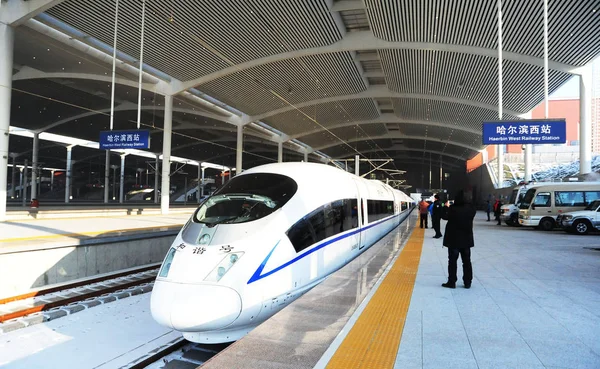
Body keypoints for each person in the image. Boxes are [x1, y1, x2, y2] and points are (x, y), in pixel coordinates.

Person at [441, 190, 476, 289]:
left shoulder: (453, 209)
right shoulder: (471, 209)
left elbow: (444, 216)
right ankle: (467, 282)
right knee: (467, 262)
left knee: (452, 262)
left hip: (453, 240)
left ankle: (452, 282)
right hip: (466, 240)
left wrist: (445, 206)